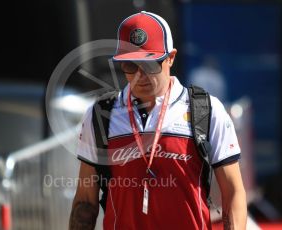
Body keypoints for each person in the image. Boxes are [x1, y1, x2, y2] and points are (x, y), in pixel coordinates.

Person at [69, 11, 247, 230]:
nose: (139, 75)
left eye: (149, 64)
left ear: (170, 57)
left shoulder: (206, 110)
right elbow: (85, 200)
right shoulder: (100, 114)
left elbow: (233, 192)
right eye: (129, 65)